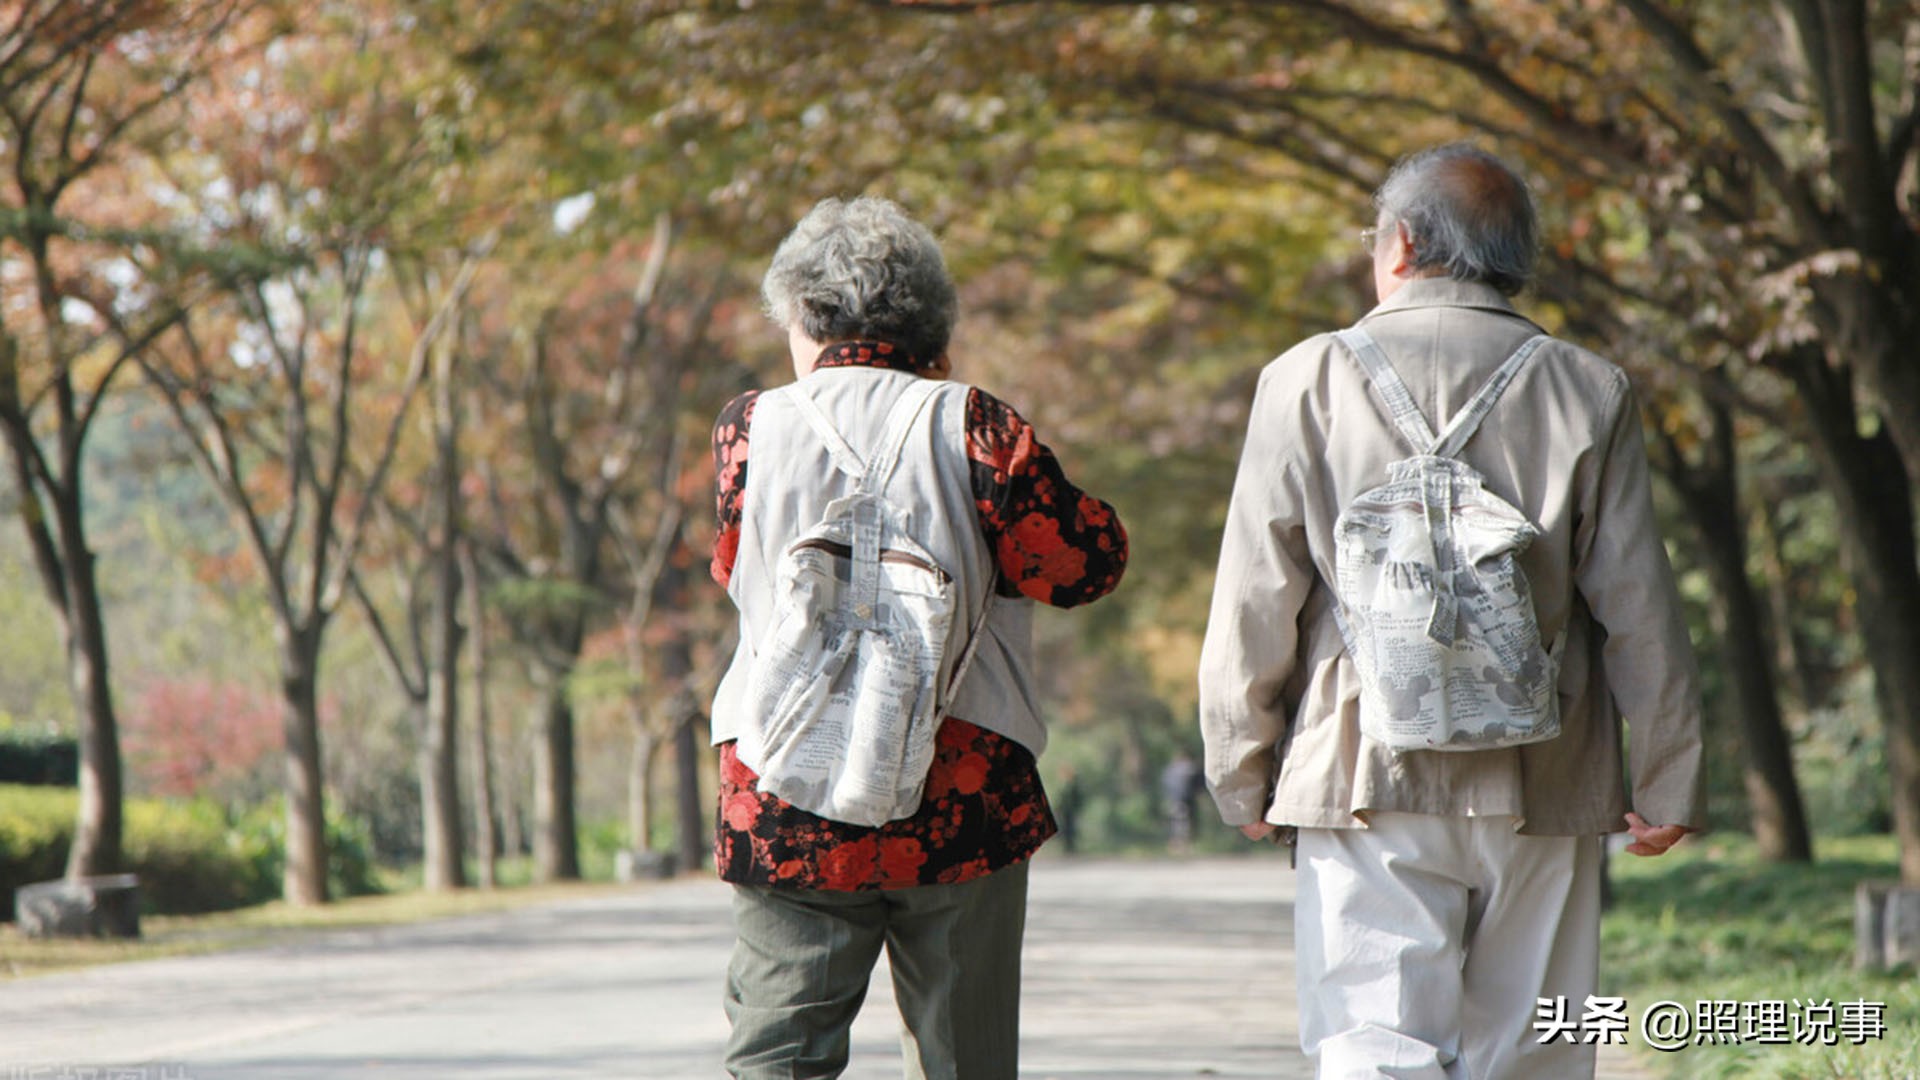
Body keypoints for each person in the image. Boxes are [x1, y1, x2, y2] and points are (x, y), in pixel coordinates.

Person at [1196, 143, 1704, 1080]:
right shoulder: (1587, 387)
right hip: (1548, 774)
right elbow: (1637, 601)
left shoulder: (1305, 379)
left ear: (1400, 245)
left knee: (1373, 1044)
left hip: (1362, 772)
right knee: (1535, 1051)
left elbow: (1256, 593)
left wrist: (1242, 766)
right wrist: (1668, 776)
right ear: (1518, 260)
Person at [708, 195, 1128, 1080]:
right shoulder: (978, 427)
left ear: (802, 314)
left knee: (778, 1054)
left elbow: (729, 568)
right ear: (932, 322)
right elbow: (1083, 567)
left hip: (790, 783)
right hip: (962, 786)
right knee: (962, 1059)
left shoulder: (750, 428)